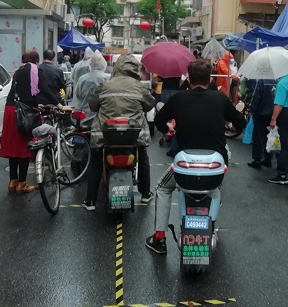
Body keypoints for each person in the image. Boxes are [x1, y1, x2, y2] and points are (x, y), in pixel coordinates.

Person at [145, 59, 246, 254]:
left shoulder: (178, 98)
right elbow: (240, 122)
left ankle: (159, 238)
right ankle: (211, 227)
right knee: (215, 188)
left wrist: (169, 128)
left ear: (189, 80)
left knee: (162, 188)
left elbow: (159, 120)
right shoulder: (221, 99)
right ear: (210, 80)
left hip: (184, 168)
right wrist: (232, 125)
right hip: (214, 168)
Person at [82, 54, 155, 210]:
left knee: (95, 162)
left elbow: (93, 105)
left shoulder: (105, 85)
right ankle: (145, 194)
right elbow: (150, 105)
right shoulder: (139, 87)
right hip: (133, 135)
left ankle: (90, 201)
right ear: (134, 69)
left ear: (116, 68)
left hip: (105, 135)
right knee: (142, 157)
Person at [0, 50, 40, 194]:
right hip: (23, 111)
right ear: (36, 61)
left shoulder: (18, 71)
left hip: (10, 110)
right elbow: (38, 92)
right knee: (24, 147)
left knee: (13, 147)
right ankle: (22, 184)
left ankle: (13, 181)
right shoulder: (33, 70)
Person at [71, 50, 109, 129]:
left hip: (85, 116)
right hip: (103, 117)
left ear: (90, 64)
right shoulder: (109, 78)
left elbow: (78, 94)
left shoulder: (82, 78)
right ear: (104, 64)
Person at [247, 79, 276, 169]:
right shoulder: (276, 80)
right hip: (273, 113)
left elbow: (256, 96)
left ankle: (257, 159)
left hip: (261, 113)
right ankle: (268, 159)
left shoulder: (261, 81)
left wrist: (251, 109)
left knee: (258, 137)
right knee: (269, 137)